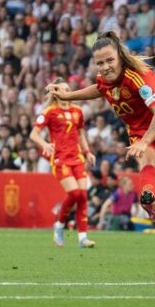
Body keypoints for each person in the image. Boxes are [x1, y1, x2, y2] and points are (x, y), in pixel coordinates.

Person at [47, 31, 155, 279]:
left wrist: (145, 140)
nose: (105, 67)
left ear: (120, 57)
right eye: (100, 63)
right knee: (149, 165)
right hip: (142, 135)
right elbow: (98, 89)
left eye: (109, 61)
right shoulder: (105, 80)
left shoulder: (140, 79)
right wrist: (67, 95)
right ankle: (149, 199)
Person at [30, 78, 96, 248]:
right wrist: (44, 144)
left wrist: (87, 152)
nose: (66, 92)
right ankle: (59, 225)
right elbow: (34, 134)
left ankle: (82, 238)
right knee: (75, 194)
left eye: (68, 89)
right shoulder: (50, 112)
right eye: (62, 89)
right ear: (56, 92)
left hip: (77, 157)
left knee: (83, 196)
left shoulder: (78, 111)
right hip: (60, 159)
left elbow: (81, 134)